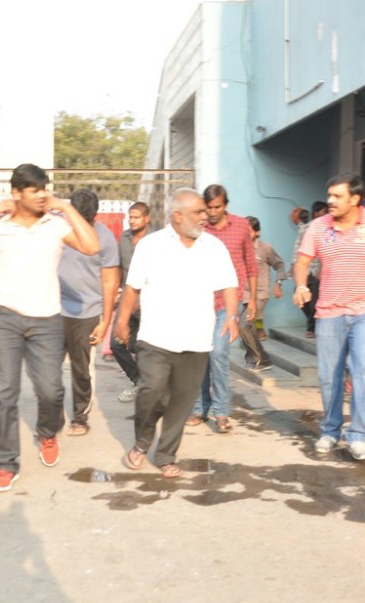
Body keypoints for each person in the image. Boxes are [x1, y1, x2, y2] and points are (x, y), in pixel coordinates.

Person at [0, 164, 100, 492]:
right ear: (17, 194)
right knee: (5, 393)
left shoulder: (56, 225)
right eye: (35, 189)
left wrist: (67, 207)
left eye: (45, 188)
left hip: (46, 319)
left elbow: (91, 247)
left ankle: (47, 431)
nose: (43, 194)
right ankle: (5, 463)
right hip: (4, 317)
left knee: (50, 389)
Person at [114, 188, 239, 477]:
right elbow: (132, 286)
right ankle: (142, 441)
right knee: (152, 390)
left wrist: (232, 315)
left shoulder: (213, 247)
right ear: (177, 216)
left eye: (205, 211)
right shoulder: (151, 245)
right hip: (156, 336)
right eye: (198, 212)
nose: (205, 217)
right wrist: (121, 321)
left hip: (197, 339)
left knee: (181, 402)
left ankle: (167, 455)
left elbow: (229, 284)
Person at [292, 173, 365, 461]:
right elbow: (303, 260)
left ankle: (357, 435)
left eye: (337, 196)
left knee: (363, 369)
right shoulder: (318, 227)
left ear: (355, 199)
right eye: (329, 195)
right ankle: (330, 431)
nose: (330, 201)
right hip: (330, 311)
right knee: (328, 375)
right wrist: (301, 285)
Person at [187, 184, 257, 433]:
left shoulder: (240, 227)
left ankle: (221, 412)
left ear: (225, 205)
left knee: (218, 352)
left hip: (228, 303)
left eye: (217, 207)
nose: (213, 212)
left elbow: (250, 263)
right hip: (199, 301)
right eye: (209, 207)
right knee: (200, 355)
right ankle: (199, 408)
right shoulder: (198, 229)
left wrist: (253, 300)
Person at [58, 189, 120, 436]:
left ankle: (80, 417)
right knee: (48, 366)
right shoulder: (59, 228)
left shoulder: (105, 238)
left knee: (80, 368)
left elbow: (109, 282)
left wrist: (104, 321)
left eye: (87, 219)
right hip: (54, 307)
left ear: (95, 215)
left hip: (87, 312)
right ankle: (50, 414)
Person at [112, 201, 151, 402]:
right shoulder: (124, 238)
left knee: (145, 345)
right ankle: (138, 381)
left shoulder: (155, 240)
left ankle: (153, 386)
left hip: (149, 302)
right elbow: (119, 267)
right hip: (128, 299)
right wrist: (117, 291)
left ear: (147, 218)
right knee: (116, 344)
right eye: (131, 217)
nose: (133, 220)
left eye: (136, 217)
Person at [240, 216, 286, 370]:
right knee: (250, 328)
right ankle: (260, 360)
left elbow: (279, 265)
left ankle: (259, 359)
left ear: (257, 232)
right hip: (245, 294)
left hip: (260, 294)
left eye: (249, 232)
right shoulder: (240, 248)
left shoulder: (265, 248)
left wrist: (278, 284)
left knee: (244, 325)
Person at [290, 202, 326, 338]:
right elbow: (296, 251)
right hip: (305, 271)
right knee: (302, 299)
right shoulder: (306, 228)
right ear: (315, 213)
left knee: (315, 301)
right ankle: (313, 322)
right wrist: (293, 269)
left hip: (318, 272)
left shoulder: (328, 228)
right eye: (324, 212)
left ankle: (312, 327)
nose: (326, 214)